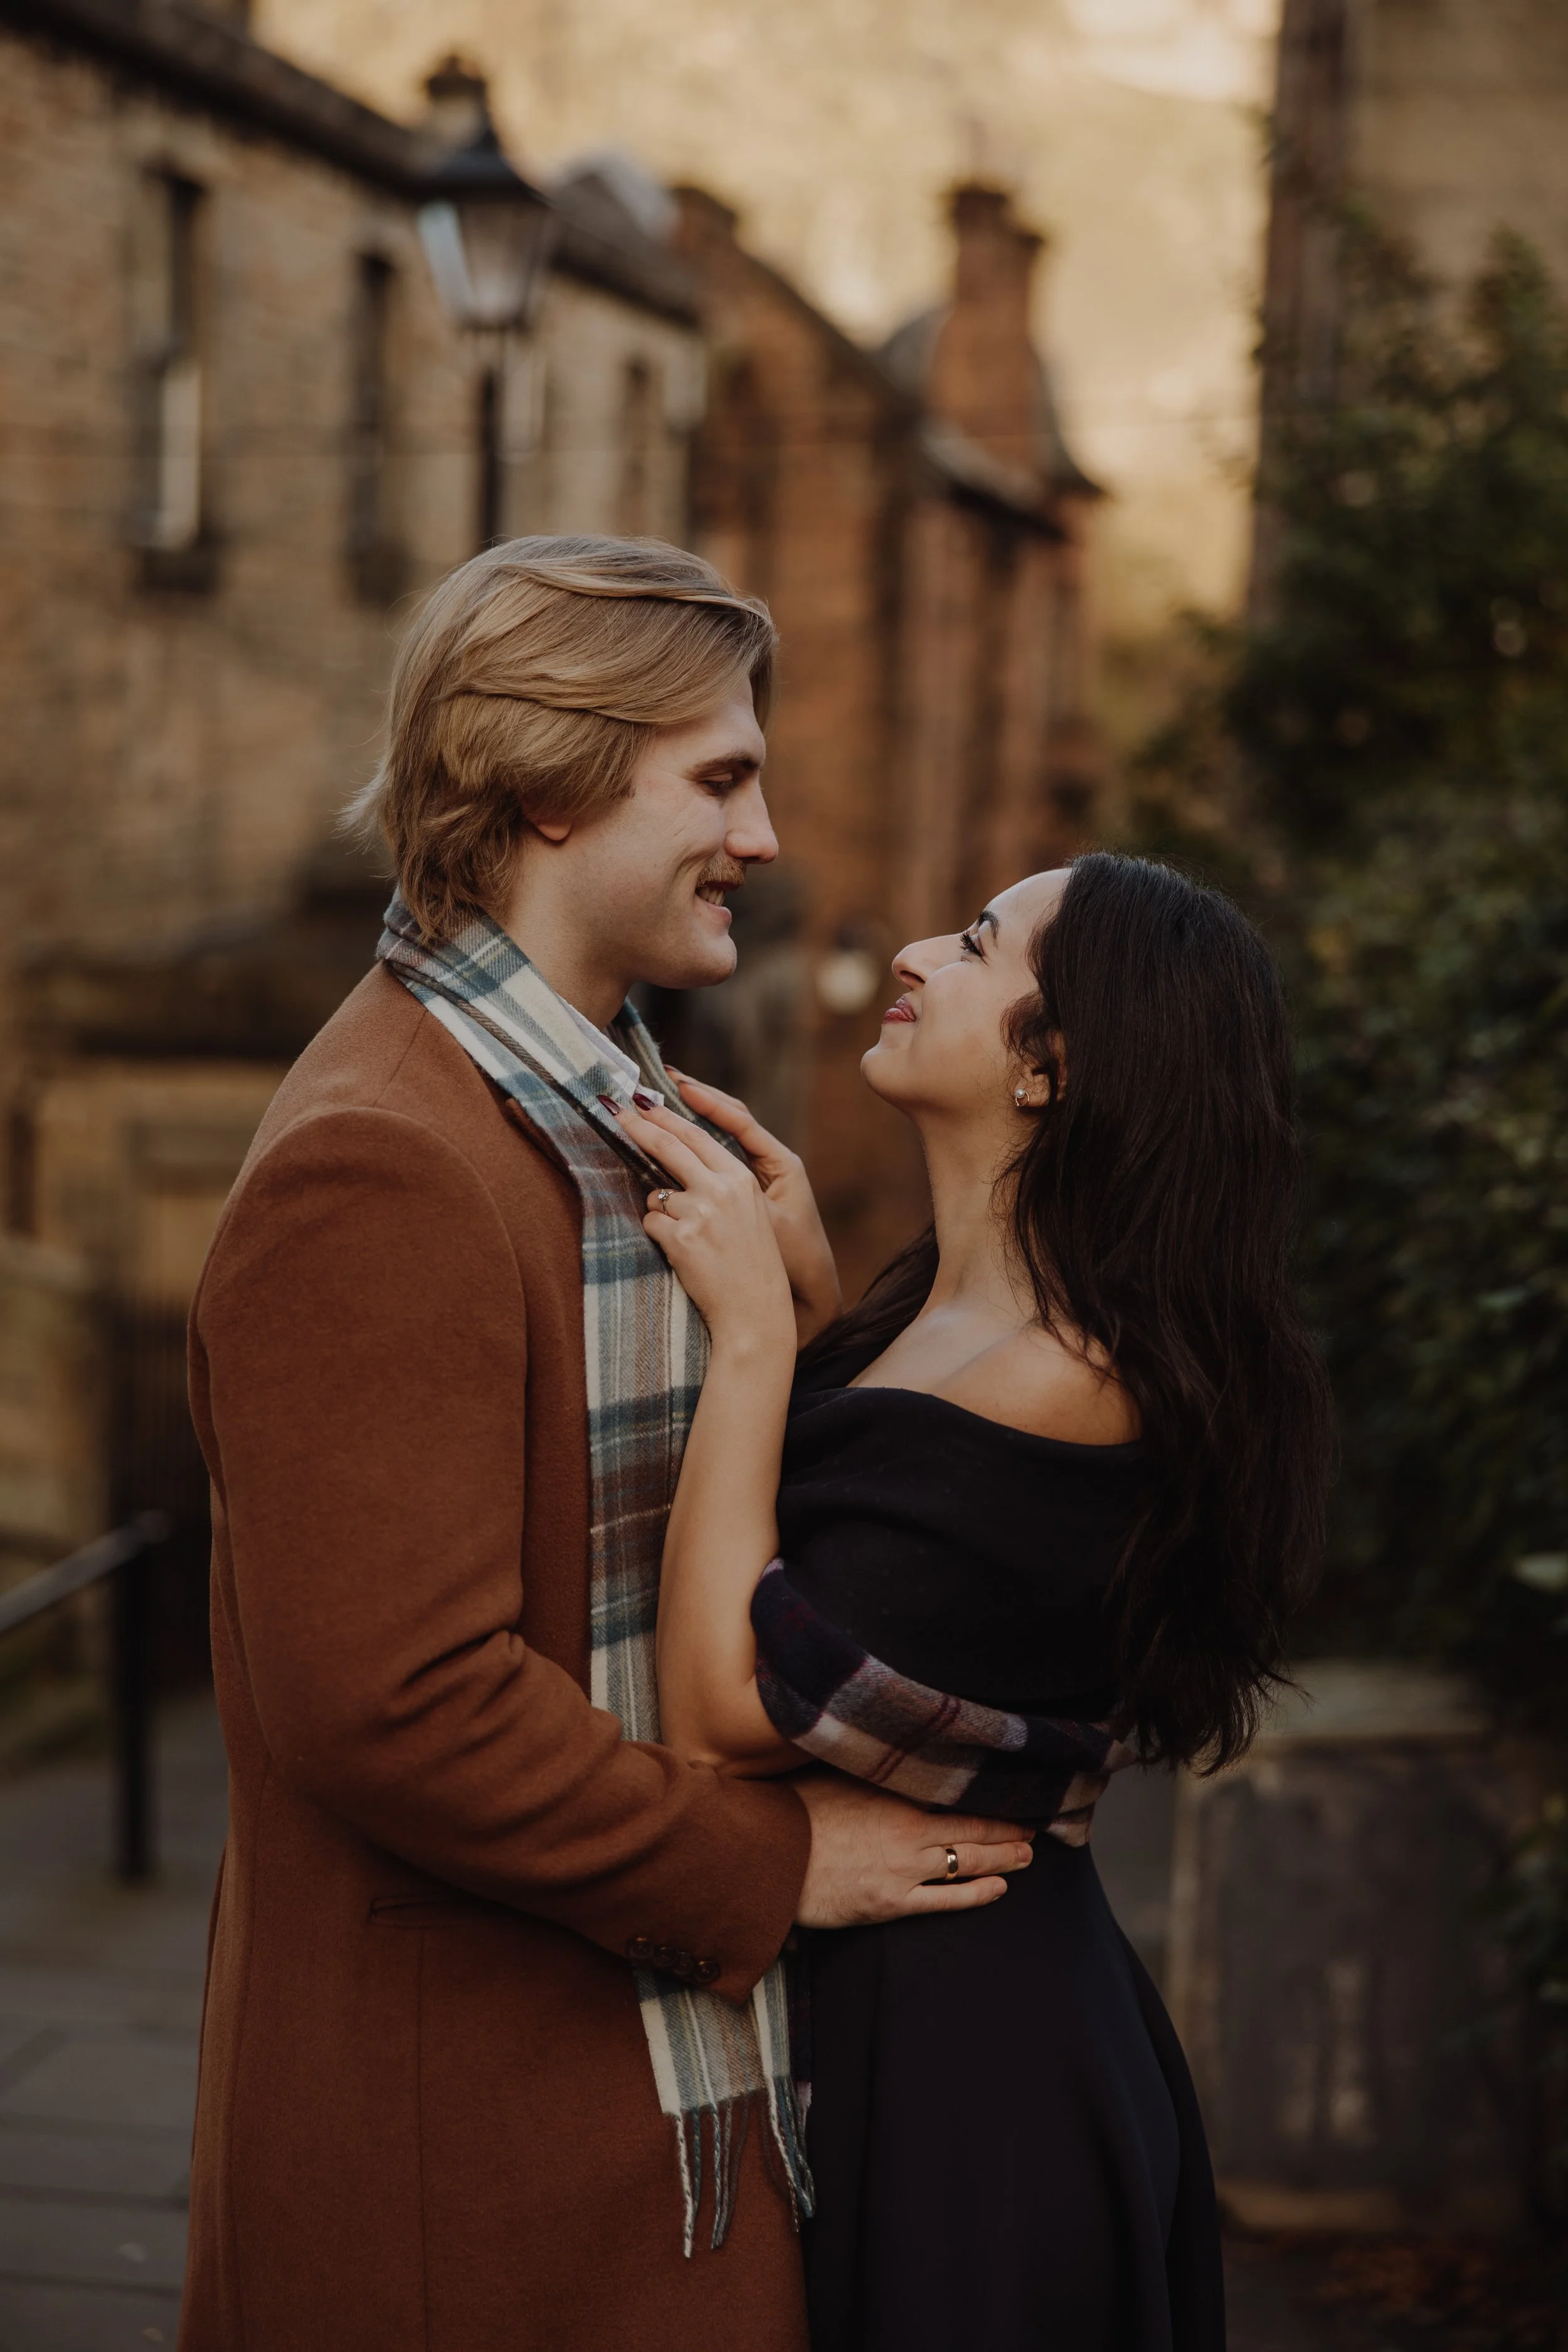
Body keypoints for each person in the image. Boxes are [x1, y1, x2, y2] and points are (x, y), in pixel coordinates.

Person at [176, 536, 1034, 2352]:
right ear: (551, 780)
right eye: (719, 776)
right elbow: (392, 1700)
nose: (769, 834)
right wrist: (775, 1864)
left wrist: (790, 1323)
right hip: (468, 2157)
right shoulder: (383, 1158)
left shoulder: (623, 1114)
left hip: (644, 2104)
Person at [617, 852, 1335, 2352]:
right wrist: (813, 1310)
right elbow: (860, 1544)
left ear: (1049, 1065)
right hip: (911, 2003)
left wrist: (752, 1341)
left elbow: (723, 1709)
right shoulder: (951, 1312)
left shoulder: (1070, 1379)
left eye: (979, 942)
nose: (922, 948)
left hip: (968, 2067)